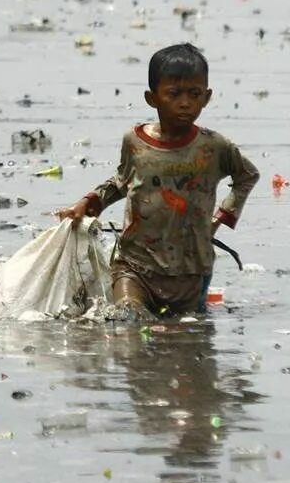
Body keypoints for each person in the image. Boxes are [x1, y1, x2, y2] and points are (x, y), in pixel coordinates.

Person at [56, 43, 259, 317]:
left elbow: (247, 175)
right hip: (134, 263)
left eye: (194, 94)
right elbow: (122, 181)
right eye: (174, 94)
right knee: (128, 317)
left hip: (191, 270)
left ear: (207, 97)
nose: (185, 102)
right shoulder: (135, 141)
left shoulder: (214, 147)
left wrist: (222, 217)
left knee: (184, 338)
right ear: (152, 98)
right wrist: (89, 202)